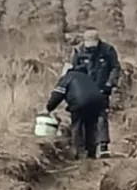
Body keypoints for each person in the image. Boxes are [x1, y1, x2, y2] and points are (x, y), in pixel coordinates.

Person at [70, 28, 121, 158]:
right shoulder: (78, 51)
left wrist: (110, 84)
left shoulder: (108, 50)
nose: (91, 49)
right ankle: (80, 149)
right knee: (80, 118)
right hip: (83, 90)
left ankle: (103, 145)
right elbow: (72, 71)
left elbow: (115, 68)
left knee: (101, 117)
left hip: (101, 88)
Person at [46, 62, 107, 159]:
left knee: (77, 126)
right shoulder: (86, 77)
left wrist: (49, 108)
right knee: (91, 125)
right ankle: (91, 152)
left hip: (80, 102)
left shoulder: (67, 78)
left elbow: (57, 95)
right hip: (98, 102)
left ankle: (80, 152)